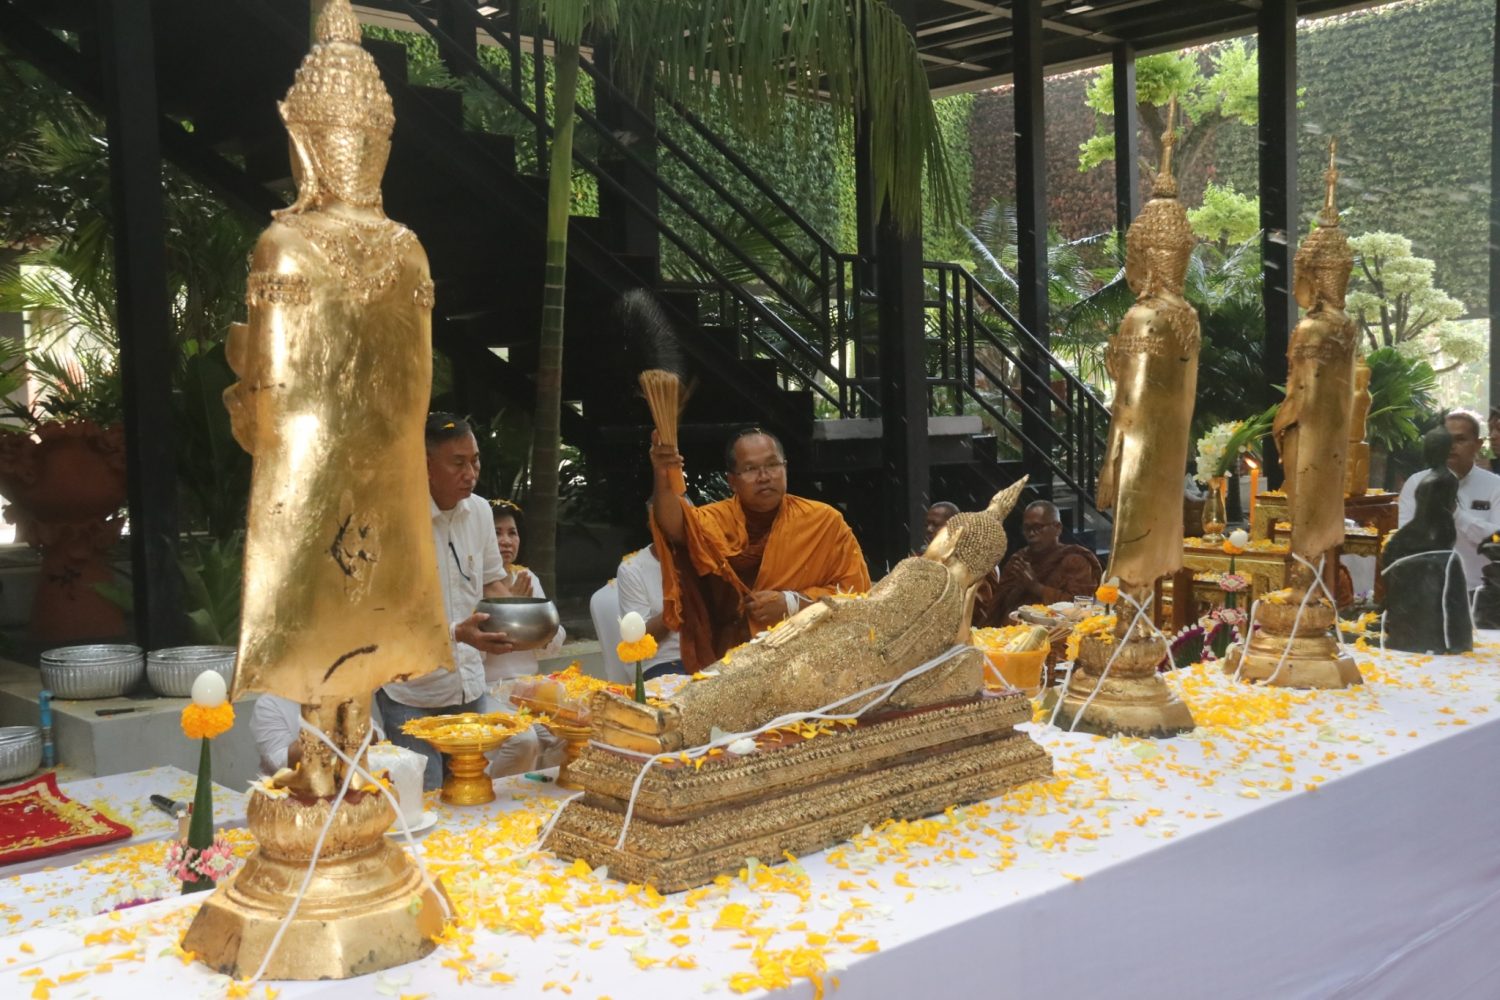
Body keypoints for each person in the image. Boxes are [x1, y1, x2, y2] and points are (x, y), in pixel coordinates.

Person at [378, 414, 527, 790]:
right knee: (424, 796)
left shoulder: (480, 511)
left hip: (468, 684)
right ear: (425, 465)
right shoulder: (392, 520)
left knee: (471, 791)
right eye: (457, 463)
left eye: (475, 460)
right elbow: (384, 618)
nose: (470, 473)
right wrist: (456, 633)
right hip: (410, 690)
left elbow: (491, 582)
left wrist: (522, 616)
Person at [649, 426, 871, 671]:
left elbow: (856, 594)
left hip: (808, 658)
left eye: (772, 465)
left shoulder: (824, 521)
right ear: (732, 481)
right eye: (750, 469)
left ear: (785, 468)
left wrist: (791, 603)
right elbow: (675, 527)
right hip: (733, 660)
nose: (764, 476)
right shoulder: (717, 520)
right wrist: (663, 472)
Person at [481, 498, 566, 775]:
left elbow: (553, 638)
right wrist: (513, 613)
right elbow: (477, 647)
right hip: (488, 690)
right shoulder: (472, 581)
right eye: (496, 532)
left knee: (571, 731)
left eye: (512, 533)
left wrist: (536, 629)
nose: (506, 541)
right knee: (523, 741)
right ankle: (494, 795)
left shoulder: (527, 577)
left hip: (529, 689)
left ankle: (539, 794)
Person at [1397, 409, 1500, 591]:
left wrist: (1456, 514)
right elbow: (1406, 542)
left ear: (1478, 444)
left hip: (1481, 591)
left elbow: (1497, 540)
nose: (1451, 446)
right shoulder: (1416, 483)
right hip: (1428, 591)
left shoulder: (1495, 486)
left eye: (1460, 440)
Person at [983, 500, 1102, 625]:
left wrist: (1036, 587)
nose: (1031, 534)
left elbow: (1079, 609)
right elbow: (999, 606)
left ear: (1058, 528)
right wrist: (1020, 588)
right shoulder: (1019, 560)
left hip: (1057, 632)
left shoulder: (1074, 561)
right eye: (1027, 529)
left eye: (1038, 528)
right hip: (1013, 631)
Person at [252, 693, 385, 775]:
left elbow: (377, 738)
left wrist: (350, 725)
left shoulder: (342, 692)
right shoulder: (270, 703)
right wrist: (331, 731)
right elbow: (281, 763)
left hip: (352, 788)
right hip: (292, 799)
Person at [927, 500, 1000, 627]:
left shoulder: (976, 561)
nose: (929, 529)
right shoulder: (923, 558)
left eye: (935, 525)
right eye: (927, 525)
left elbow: (981, 607)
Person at [615, 544, 683, 678]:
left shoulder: (706, 557)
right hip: (660, 662)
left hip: (706, 658)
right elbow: (638, 638)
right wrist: (678, 604)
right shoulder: (632, 569)